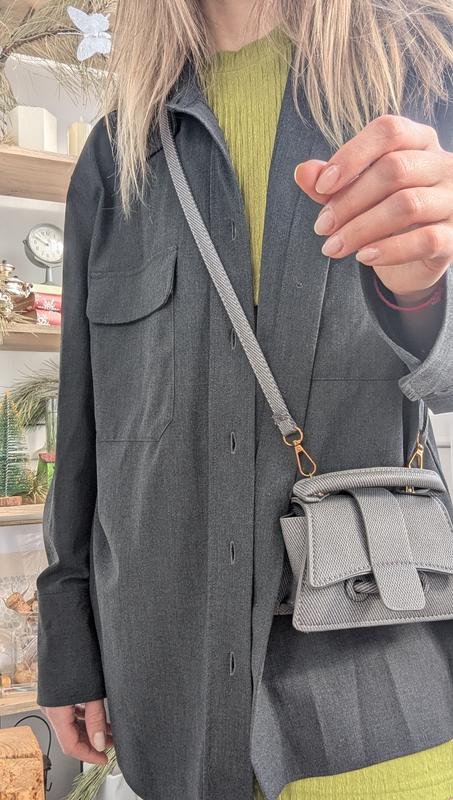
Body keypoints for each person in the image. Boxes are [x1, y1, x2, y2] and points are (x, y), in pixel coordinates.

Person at [36, 1, 453, 798]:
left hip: (379, 704)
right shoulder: (118, 152)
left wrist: (423, 292)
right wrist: (67, 637)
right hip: (164, 695)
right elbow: (87, 425)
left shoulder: (424, 75)